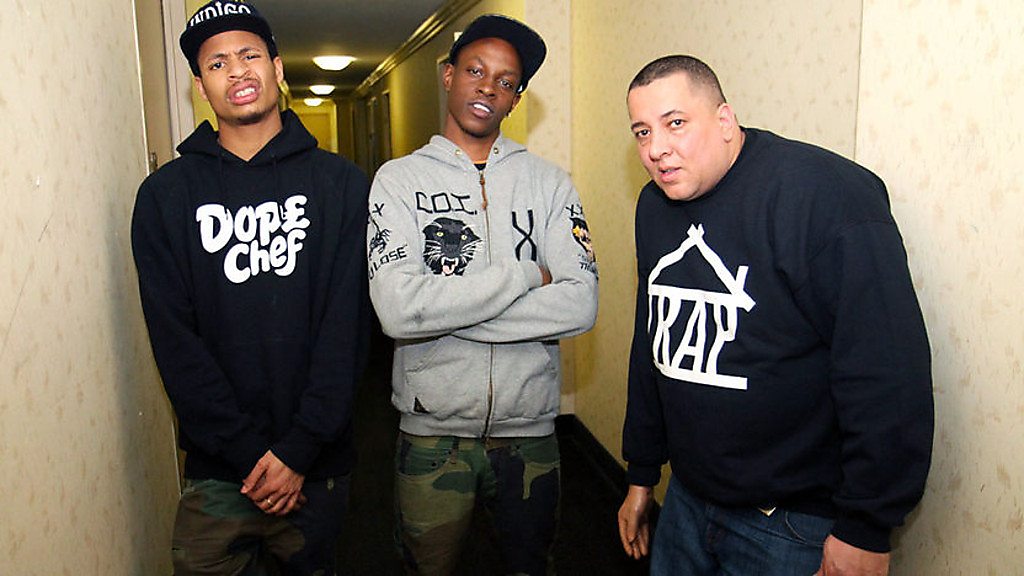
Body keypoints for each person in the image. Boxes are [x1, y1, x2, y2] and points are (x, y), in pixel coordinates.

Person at [617, 55, 933, 576]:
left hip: (789, 524)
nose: (656, 149)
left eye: (675, 123)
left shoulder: (825, 197)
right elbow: (653, 342)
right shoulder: (655, 206)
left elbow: (886, 370)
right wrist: (642, 472)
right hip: (689, 500)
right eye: (642, 131)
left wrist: (866, 527)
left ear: (724, 120)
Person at [131, 1, 369, 574]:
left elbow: (348, 327)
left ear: (277, 68)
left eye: (249, 55)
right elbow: (175, 341)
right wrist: (246, 454)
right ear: (200, 86)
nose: (236, 70)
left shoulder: (341, 184)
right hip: (219, 471)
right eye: (217, 63)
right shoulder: (164, 197)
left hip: (316, 465)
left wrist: (298, 450)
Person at [366, 14, 598, 576]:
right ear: (448, 75)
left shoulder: (550, 183)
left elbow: (580, 303)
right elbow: (396, 310)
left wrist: (438, 309)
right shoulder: (397, 182)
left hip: (530, 437)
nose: (488, 87)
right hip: (432, 435)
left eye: (505, 81)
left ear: (515, 99)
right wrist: (524, 276)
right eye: (475, 70)